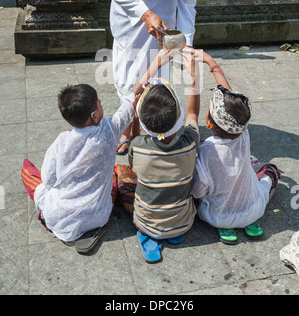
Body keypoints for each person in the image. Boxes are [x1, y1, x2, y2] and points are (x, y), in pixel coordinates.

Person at [21, 50, 172, 254]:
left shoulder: (61, 142)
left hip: (59, 215)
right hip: (99, 214)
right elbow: (133, 96)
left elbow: (48, 180)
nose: (102, 105)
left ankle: (48, 219)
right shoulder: (109, 130)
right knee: (113, 176)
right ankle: (88, 223)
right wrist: (156, 63)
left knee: (28, 172)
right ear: (94, 115)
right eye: (100, 103)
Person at [110, 0, 207, 154]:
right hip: (132, 11)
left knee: (157, 75)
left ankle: (154, 124)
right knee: (130, 75)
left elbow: (187, 5)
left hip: (164, 14)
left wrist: (186, 46)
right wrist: (144, 13)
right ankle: (128, 127)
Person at [190, 50, 280, 244]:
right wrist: (211, 62)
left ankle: (228, 227)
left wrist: (203, 65)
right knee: (269, 171)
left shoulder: (206, 152)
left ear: (209, 123)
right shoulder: (243, 133)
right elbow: (230, 99)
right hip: (254, 209)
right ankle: (249, 222)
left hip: (217, 217)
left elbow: (198, 192)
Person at [127, 55, 200, 263]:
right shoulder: (190, 142)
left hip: (145, 222)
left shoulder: (137, 147)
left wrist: (134, 117)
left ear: (142, 121)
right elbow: (193, 113)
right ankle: (173, 232)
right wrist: (193, 78)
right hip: (185, 222)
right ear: (178, 116)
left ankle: (148, 235)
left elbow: (133, 162)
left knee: (124, 179)